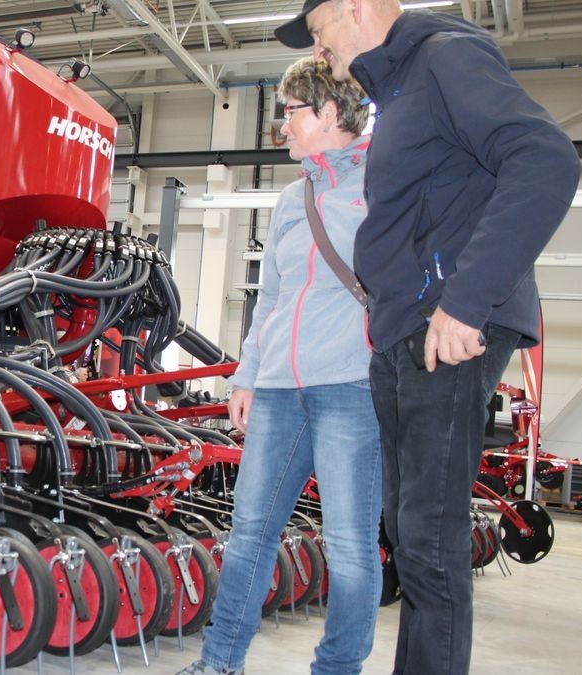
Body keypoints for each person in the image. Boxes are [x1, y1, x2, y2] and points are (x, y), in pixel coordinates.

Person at [273, 2, 582, 673]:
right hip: (404, 331)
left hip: (444, 329)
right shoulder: (400, 86)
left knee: (431, 542)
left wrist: (465, 302)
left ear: (353, 8)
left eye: (319, 30)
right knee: (411, 537)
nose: (319, 48)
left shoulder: (444, 57)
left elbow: (546, 159)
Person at [180, 56, 380, 675]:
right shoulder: (294, 199)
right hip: (277, 392)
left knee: (349, 549)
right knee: (250, 534)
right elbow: (271, 298)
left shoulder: (384, 183)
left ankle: (336, 669)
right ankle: (220, 664)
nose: (282, 128)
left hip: (351, 386)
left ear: (326, 112)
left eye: (290, 112)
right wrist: (245, 374)